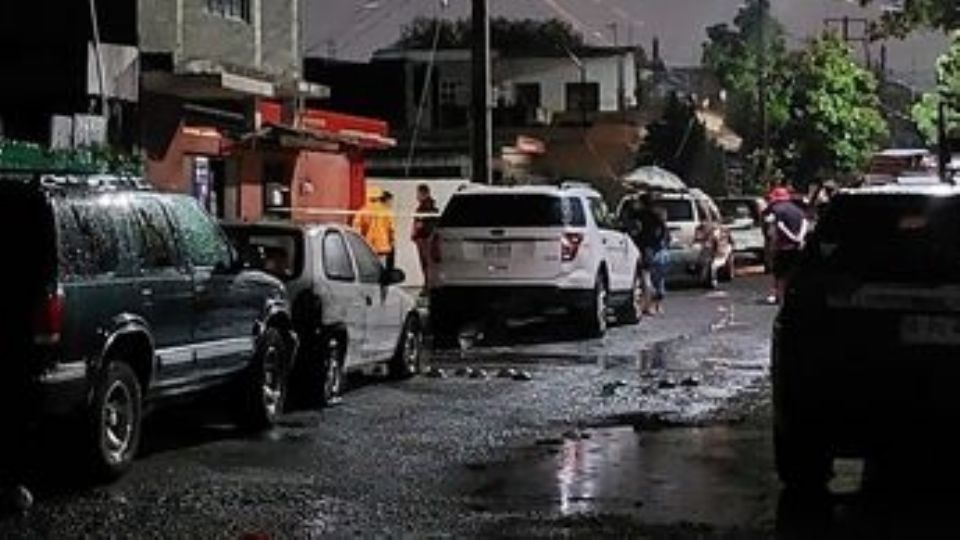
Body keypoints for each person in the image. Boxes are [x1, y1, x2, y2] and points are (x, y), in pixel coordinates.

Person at [765, 186, 809, 305]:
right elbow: (805, 223)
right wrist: (800, 237)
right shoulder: (798, 210)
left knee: (780, 273)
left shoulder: (776, 209)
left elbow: (779, 226)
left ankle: (780, 297)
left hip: (783, 246)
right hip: (798, 247)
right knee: (794, 272)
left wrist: (791, 238)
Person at [629, 193, 671, 315]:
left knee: (645, 276)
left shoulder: (640, 215)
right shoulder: (655, 216)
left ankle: (647, 304)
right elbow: (663, 231)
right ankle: (653, 304)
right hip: (654, 248)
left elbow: (631, 227)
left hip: (643, 248)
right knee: (656, 277)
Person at [352, 186, 396, 268]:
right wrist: (391, 242)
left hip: (367, 247)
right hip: (383, 247)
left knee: (368, 269)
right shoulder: (386, 211)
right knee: (381, 270)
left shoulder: (362, 212)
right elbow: (392, 229)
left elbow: (356, 229)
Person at [411, 184, 439, 293]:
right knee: (428, 264)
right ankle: (428, 284)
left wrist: (415, 234)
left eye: (418, 194)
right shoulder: (429, 207)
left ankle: (428, 286)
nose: (416, 196)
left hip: (425, 239)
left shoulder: (424, 208)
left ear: (424, 194)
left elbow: (420, 224)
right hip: (426, 238)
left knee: (426, 263)